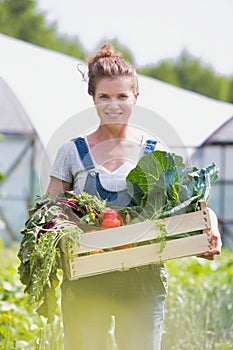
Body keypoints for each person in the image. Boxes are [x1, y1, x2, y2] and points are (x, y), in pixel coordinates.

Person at [46, 44, 222, 350]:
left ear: (136, 97)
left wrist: (212, 228)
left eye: (122, 96)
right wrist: (64, 229)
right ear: (93, 99)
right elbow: (48, 211)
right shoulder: (72, 152)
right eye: (104, 97)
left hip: (144, 279)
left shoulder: (156, 153)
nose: (113, 104)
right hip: (86, 277)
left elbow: (188, 202)